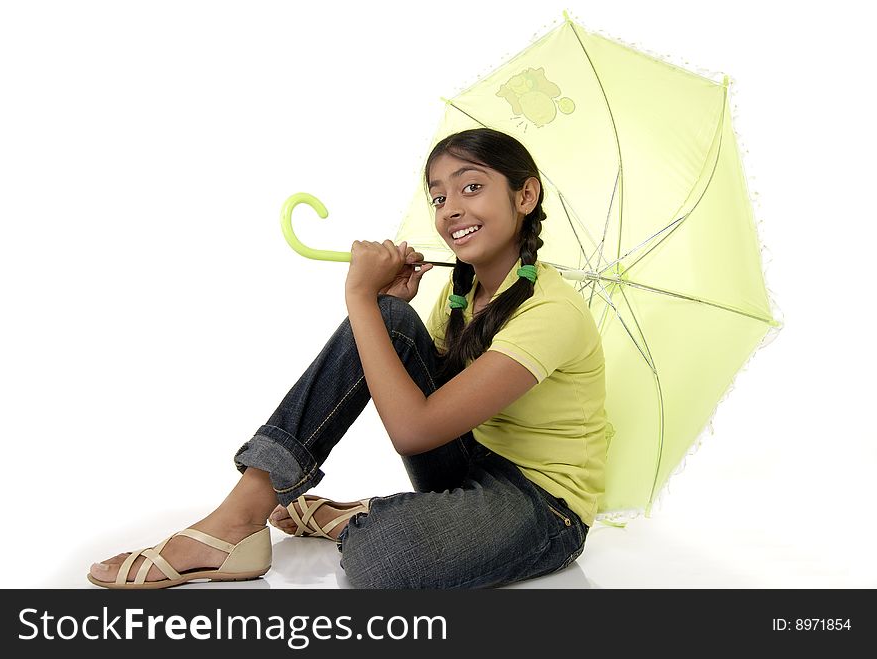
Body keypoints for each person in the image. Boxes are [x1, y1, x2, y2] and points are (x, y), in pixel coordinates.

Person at [87, 127, 608, 589]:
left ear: (526, 194)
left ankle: (357, 516)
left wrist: (359, 299)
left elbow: (415, 429)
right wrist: (383, 311)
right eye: (438, 195)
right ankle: (238, 518)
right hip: (466, 465)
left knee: (378, 558)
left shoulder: (552, 311)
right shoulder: (462, 290)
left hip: (540, 506)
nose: (450, 209)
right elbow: (423, 397)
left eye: (472, 187)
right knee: (388, 320)